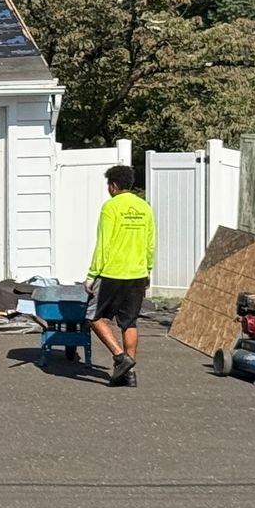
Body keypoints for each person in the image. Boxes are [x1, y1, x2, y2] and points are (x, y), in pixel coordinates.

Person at [86, 164, 156, 387]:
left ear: (113, 186)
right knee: (129, 322)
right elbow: (150, 243)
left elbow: (103, 244)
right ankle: (130, 374)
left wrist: (92, 274)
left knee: (93, 317)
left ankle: (120, 357)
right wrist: (148, 269)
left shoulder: (111, 207)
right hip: (137, 273)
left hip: (113, 272)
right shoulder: (144, 207)